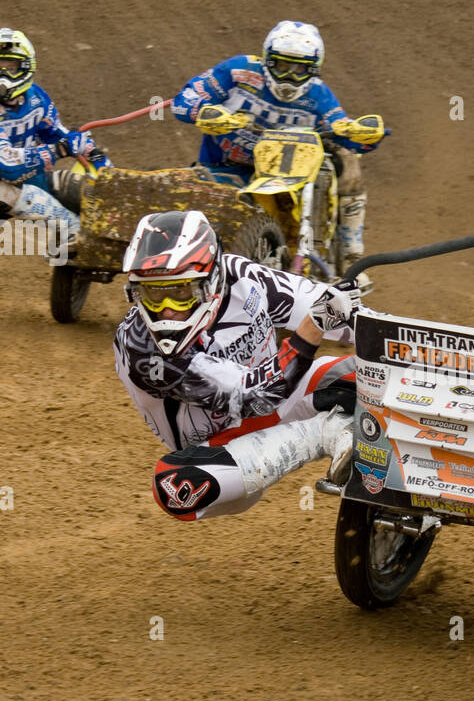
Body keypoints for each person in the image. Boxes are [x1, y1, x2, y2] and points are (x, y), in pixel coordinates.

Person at [114, 210, 360, 520]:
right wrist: (315, 326)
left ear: (211, 279)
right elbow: (255, 397)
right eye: (153, 295)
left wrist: (385, 334)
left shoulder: (244, 277)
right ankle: (328, 432)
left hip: (286, 402)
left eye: (179, 292)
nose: (166, 310)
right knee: (175, 488)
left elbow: (333, 310)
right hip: (221, 453)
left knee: (379, 372)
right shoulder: (140, 347)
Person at [171, 20, 383, 263]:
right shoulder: (238, 72)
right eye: (282, 66)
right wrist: (206, 113)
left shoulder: (319, 96)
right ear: (267, 60)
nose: (289, 76)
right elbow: (183, 101)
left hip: (289, 180)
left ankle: (350, 251)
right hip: (223, 169)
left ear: (313, 70)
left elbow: (347, 134)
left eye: (299, 69)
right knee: (183, 203)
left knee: (346, 159)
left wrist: (359, 134)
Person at [0, 27, 109, 250]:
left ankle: (121, 236)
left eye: (11, 68)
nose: (3, 77)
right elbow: (6, 164)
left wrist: (94, 156)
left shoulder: (36, 97)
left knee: (82, 190)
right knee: (7, 188)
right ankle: (73, 232)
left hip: (22, 180)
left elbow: (59, 135)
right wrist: (61, 149)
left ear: (26, 66)